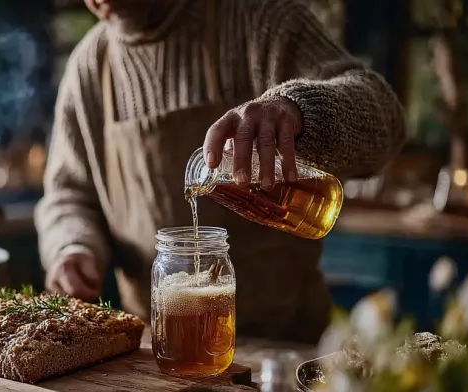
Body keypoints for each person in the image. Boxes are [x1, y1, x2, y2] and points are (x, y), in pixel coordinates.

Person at [35, 0, 406, 343]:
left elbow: (385, 117)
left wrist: (299, 109)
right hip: (157, 352)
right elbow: (69, 195)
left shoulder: (260, 19)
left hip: (286, 345)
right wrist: (72, 246)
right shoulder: (89, 66)